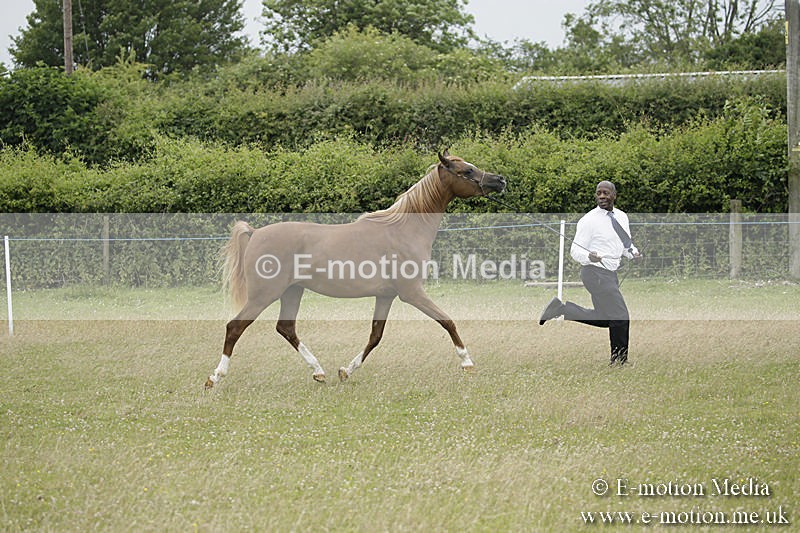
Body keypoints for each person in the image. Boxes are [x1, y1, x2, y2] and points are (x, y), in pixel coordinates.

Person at [538, 180, 640, 366]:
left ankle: (562, 309)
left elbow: (625, 244)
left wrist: (634, 253)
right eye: (599, 193)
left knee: (606, 318)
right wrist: (589, 256)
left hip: (610, 274)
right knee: (620, 316)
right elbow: (575, 251)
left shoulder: (622, 217)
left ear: (614, 195)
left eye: (606, 193)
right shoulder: (588, 220)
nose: (602, 196)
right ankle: (619, 362)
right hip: (594, 273)